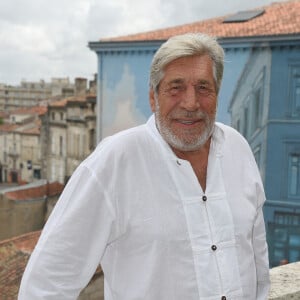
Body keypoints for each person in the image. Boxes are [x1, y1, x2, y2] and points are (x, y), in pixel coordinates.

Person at [18, 33, 270, 300]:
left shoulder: (238, 149)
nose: (191, 103)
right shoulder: (115, 161)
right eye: (176, 87)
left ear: (217, 95)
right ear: (153, 98)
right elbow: (46, 284)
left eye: (203, 88)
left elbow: (257, 262)